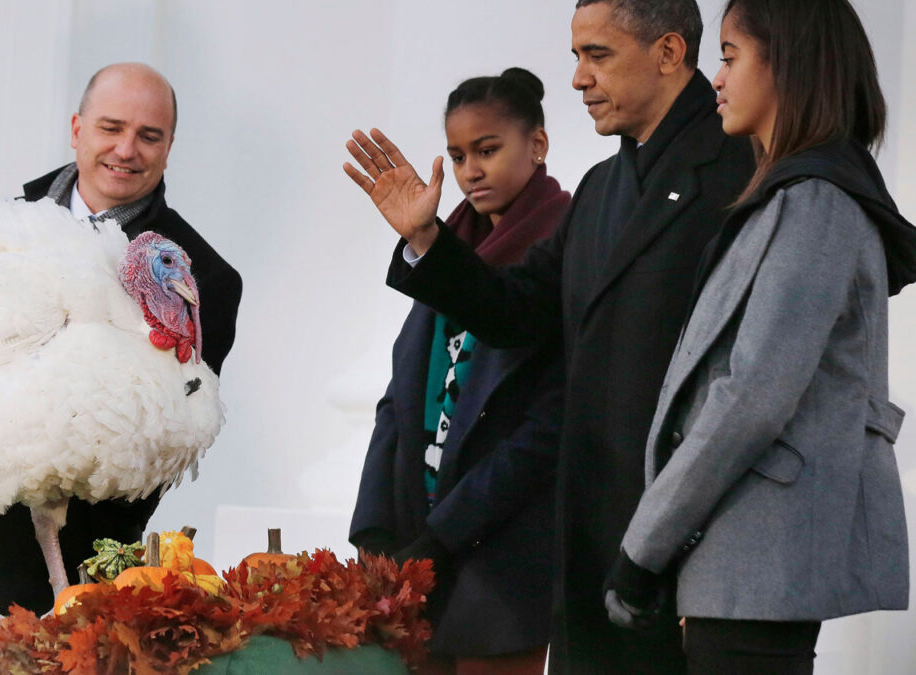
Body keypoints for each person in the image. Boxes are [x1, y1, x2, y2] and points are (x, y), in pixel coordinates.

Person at [343, 1, 755, 671]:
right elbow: (515, 313)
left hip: (692, 547)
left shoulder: (740, 172)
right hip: (593, 544)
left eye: (598, 55)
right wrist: (426, 237)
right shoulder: (603, 187)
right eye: (576, 57)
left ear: (670, 53)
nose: (578, 79)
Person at [605, 1, 915, 672]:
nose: (716, 78)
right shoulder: (796, 196)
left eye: (729, 55)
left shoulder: (816, 202)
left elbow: (752, 395)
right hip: (736, 565)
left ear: (789, 64)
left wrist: (643, 549)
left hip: (759, 570)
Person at [0, 63, 243, 615]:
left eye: (149, 136)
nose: (126, 149)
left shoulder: (201, 277)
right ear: (77, 129)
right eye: (111, 127)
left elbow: (165, 439)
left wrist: (92, 565)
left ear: (169, 148)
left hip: (73, 562)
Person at [349, 68, 568, 675]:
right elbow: (400, 397)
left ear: (539, 145)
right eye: (457, 154)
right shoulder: (448, 250)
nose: (471, 169)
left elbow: (545, 425)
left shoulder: (563, 243)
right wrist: (373, 530)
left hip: (501, 558)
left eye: (488, 150)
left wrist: (445, 537)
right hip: (420, 544)